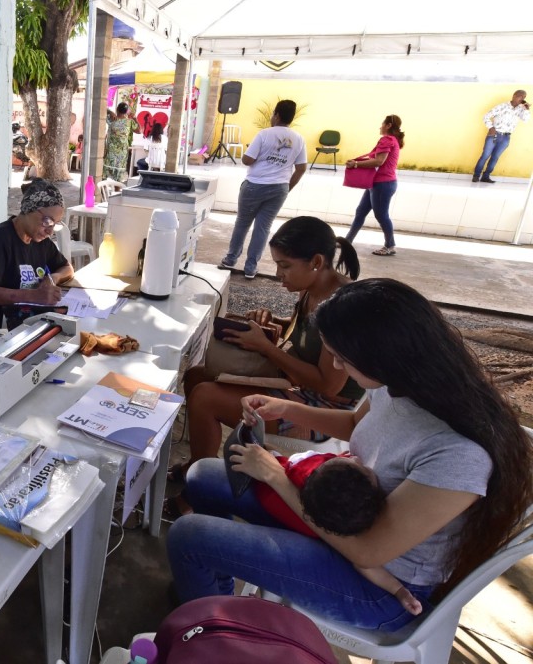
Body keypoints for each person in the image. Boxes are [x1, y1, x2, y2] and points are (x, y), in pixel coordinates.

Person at [168, 278, 533, 632]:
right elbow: (356, 425)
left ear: (384, 355)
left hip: (382, 587)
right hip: (342, 527)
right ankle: (213, 592)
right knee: (201, 476)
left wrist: (277, 478)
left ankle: (208, 637)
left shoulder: (458, 455)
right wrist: (286, 409)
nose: (338, 367)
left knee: (188, 536)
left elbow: (367, 551)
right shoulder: (399, 384)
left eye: (342, 358)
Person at [171, 216, 363, 490]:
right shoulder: (312, 290)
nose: (278, 274)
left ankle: (200, 490)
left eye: (284, 266)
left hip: (328, 410)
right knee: (195, 376)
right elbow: (304, 335)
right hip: (298, 385)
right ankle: (198, 462)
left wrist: (265, 347)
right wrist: (270, 323)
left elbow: (328, 385)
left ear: (317, 262)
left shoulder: (341, 308)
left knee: (205, 397)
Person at [255, 451, 422, 616]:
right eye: (363, 469)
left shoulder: (322, 494)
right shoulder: (347, 530)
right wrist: (399, 590)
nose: (357, 458)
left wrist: (401, 591)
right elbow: (365, 566)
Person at [217, 100, 307, 279]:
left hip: (255, 186)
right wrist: (287, 188)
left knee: (242, 223)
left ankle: (230, 260)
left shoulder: (264, 134)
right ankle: (251, 268)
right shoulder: (298, 138)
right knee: (263, 228)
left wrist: (255, 153)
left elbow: (247, 160)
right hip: (279, 188)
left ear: (277, 115)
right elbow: (301, 168)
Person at [0, 178, 74, 329]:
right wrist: (34, 296)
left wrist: (52, 279)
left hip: (29, 317)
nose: (50, 231)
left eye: (55, 223)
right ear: (28, 209)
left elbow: (67, 267)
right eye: (47, 221)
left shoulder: (39, 240)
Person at [344, 115, 405, 257]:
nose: (380, 127)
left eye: (382, 124)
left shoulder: (387, 139)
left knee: (381, 215)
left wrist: (356, 164)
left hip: (383, 183)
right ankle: (347, 241)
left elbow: (379, 161)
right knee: (360, 212)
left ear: (388, 125)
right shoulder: (393, 140)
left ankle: (390, 245)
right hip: (377, 183)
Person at [473, 90, 529, 184]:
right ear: (514, 95)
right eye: (520, 96)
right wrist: (491, 127)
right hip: (494, 135)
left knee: (495, 157)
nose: (522, 99)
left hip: (506, 137)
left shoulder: (521, 109)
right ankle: (476, 175)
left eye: (524, 97)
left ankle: (486, 176)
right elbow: (486, 116)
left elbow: (526, 120)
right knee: (485, 156)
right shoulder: (502, 106)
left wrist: (526, 109)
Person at [104, 101, 138, 181]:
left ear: (117, 109)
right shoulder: (129, 122)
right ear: (126, 112)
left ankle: (103, 191)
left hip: (111, 151)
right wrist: (135, 118)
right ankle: (117, 191)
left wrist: (110, 111)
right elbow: (140, 130)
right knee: (119, 175)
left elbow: (102, 108)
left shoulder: (111, 118)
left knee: (106, 172)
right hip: (122, 152)